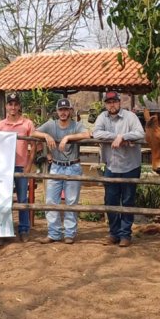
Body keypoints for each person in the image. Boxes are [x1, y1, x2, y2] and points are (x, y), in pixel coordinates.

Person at [31, 98, 91, 244]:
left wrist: (67, 137)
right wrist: (46, 135)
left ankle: (69, 233)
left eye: (66, 110)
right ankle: (54, 233)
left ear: (70, 111)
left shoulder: (76, 125)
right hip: (56, 165)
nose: (63, 112)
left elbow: (87, 134)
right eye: (60, 110)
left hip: (73, 166)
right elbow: (33, 132)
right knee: (51, 200)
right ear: (57, 112)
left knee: (71, 202)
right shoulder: (51, 125)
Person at [92, 91, 145, 247]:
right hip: (111, 166)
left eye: (114, 101)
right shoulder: (102, 117)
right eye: (109, 102)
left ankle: (125, 234)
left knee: (128, 200)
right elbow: (96, 133)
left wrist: (123, 137)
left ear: (119, 102)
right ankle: (114, 233)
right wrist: (116, 136)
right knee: (110, 201)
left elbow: (140, 133)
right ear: (105, 104)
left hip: (130, 165)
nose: (112, 105)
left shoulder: (130, 117)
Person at [0, 93, 35, 242]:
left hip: (21, 166)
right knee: (3, 198)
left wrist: (29, 165)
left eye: (15, 104)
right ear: (6, 106)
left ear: (19, 106)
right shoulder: (0, 125)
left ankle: (24, 229)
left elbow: (33, 145)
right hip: (4, 167)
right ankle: (3, 229)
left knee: (22, 198)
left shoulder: (27, 124)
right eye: (10, 104)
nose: (13, 107)